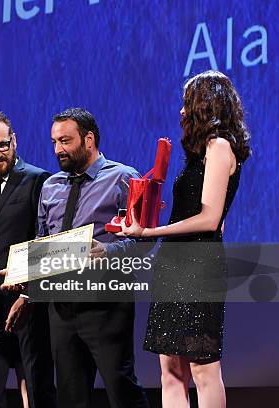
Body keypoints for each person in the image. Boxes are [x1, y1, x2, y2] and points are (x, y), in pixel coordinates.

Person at [120, 70, 251, 408]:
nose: (181, 112)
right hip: (175, 264)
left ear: (204, 105)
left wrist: (149, 232)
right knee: (170, 370)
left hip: (198, 266)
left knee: (202, 369)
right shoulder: (199, 153)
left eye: (186, 103)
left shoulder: (219, 146)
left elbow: (209, 220)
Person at [18, 107, 149, 407]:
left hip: (105, 303)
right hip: (62, 308)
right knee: (70, 396)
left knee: (121, 388)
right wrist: (23, 272)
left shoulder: (123, 178)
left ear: (89, 139)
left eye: (65, 141)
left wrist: (108, 251)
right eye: (54, 142)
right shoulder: (51, 186)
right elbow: (42, 242)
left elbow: (144, 239)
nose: (58, 149)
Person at [0, 111, 56, 408]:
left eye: (3, 145)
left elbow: (46, 241)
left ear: (14, 140)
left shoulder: (38, 180)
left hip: (29, 305)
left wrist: (29, 293)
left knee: (36, 388)